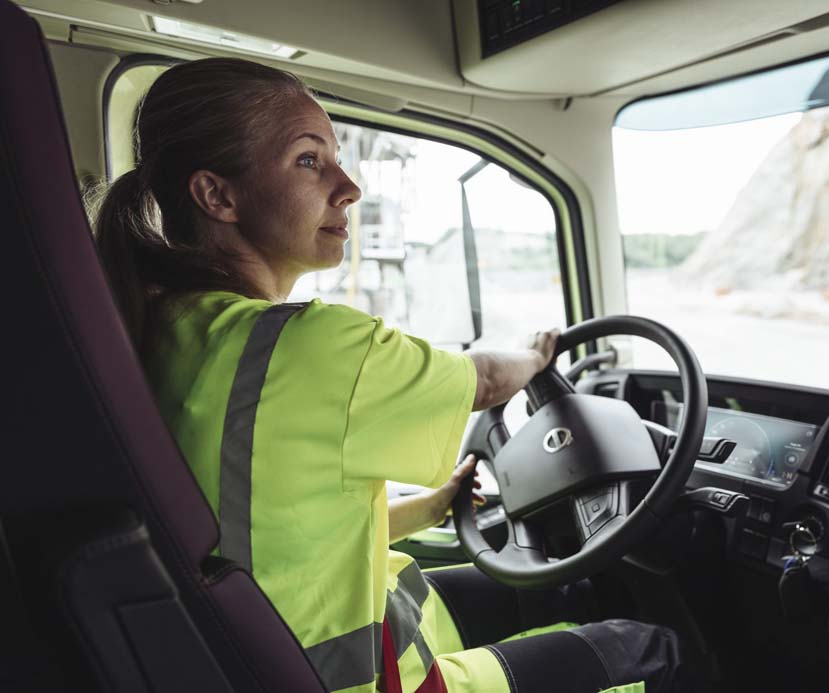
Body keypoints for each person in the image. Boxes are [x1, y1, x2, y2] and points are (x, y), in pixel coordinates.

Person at [92, 57, 692, 693]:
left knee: (562, 589)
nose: (349, 186)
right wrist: (537, 357)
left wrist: (431, 507)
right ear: (218, 195)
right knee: (649, 649)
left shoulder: (164, 327)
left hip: (273, 651)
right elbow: (487, 381)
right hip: (358, 680)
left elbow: (264, 522)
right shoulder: (310, 344)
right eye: (308, 160)